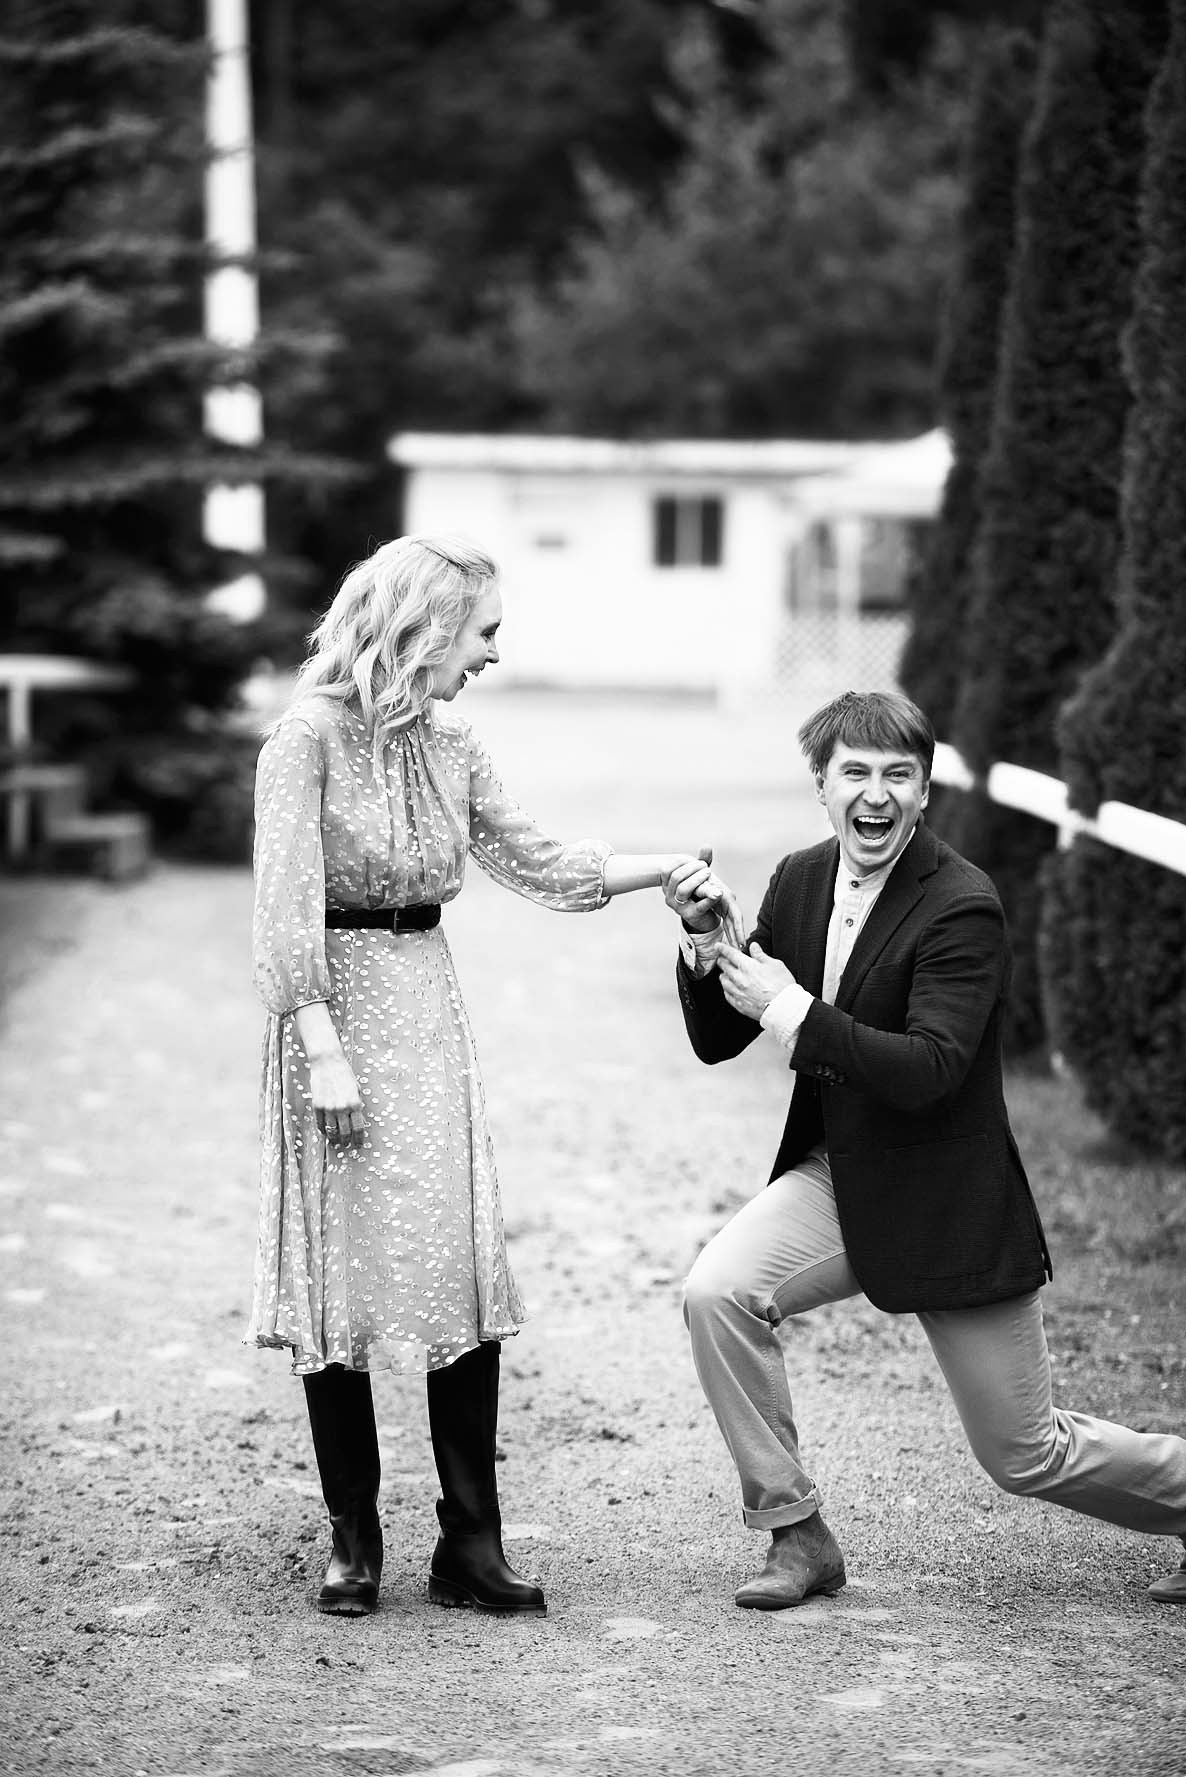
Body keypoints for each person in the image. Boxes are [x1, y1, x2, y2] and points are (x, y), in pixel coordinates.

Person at [248, 532, 736, 1618]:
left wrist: (665, 867)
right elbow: (282, 913)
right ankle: (354, 1537)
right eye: (485, 631)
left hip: (425, 1006)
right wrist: (322, 1051)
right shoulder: (303, 739)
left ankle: (471, 1541)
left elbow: (539, 859)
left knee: (453, 1264)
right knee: (337, 1270)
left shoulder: (454, 741)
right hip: (331, 1016)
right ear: (423, 628)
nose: (494, 654)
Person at [663, 689, 1186, 1611]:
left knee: (1024, 1454)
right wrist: (708, 943)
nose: (877, 793)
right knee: (718, 1291)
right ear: (822, 784)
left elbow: (932, 1069)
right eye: (855, 773)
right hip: (839, 1178)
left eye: (898, 775)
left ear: (925, 791)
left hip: (947, 1200)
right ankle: (796, 1531)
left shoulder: (962, 905)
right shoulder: (798, 879)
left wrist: (792, 1007)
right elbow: (719, 1036)